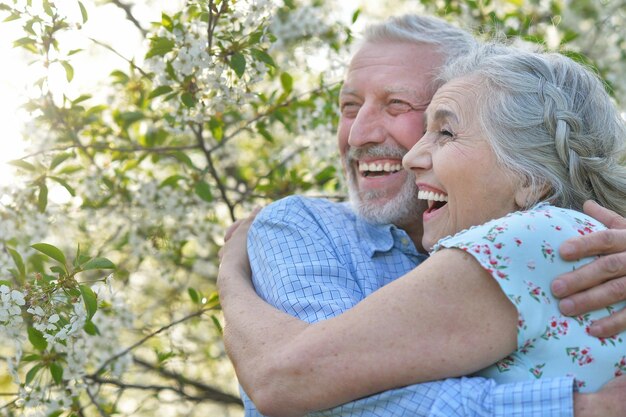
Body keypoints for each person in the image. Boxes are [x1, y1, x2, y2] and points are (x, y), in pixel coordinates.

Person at [221, 15, 626, 417]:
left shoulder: (532, 238)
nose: (360, 135)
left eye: (399, 104)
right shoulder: (304, 227)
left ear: (531, 179)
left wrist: (232, 278)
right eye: (348, 106)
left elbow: (289, 379)